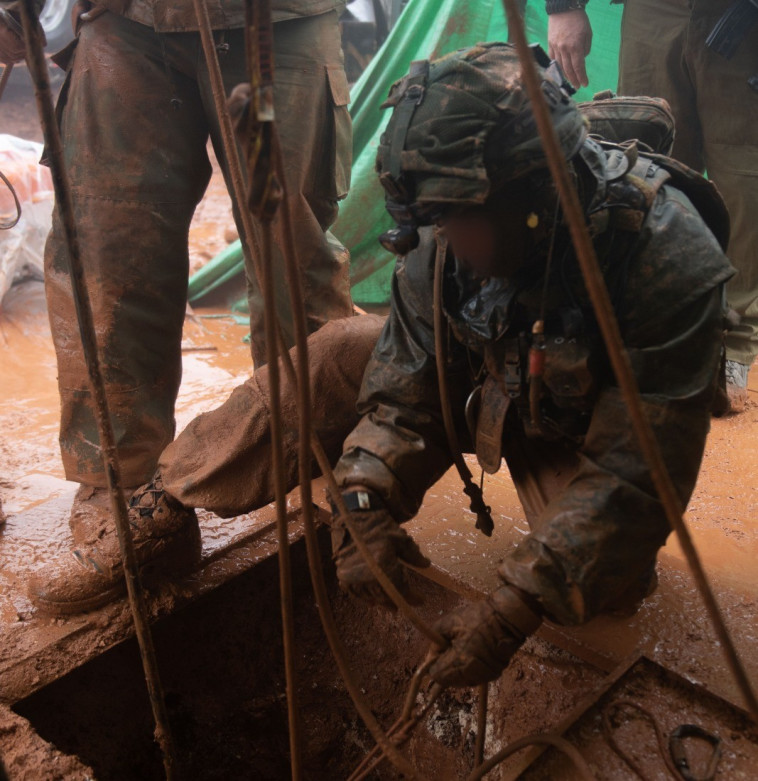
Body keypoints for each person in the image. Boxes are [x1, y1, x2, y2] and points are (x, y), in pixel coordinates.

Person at [30, 41, 731, 694]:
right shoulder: (450, 230)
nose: (443, 240)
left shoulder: (668, 256)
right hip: (483, 380)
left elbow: (635, 472)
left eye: (460, 221)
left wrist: (512, 608)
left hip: (578, 428)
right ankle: (168, 498)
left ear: (532, 200)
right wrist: (363, 499)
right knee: (334, 353)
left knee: (603, 593)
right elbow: (403, 390)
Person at [0, 0, 353, 565]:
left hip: (272, 31)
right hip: (125, 25)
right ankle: (120, 479)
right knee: (107, 248)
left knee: (291, 248)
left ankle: (312, 446)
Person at [546, 0, 758, 412]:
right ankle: (652, 338)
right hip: (653, 13)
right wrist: (563, 6)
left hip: (743, 23)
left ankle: (733, 349)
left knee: (746, 183)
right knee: (645, 173)